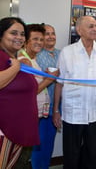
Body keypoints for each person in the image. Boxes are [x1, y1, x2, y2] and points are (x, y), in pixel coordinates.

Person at [52, 16, 96, 169]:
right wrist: (55, 110)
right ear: (79, 30)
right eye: (90, 26)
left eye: (95, 26)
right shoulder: (67, 52)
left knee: (95, 156)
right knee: (71, 157)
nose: (95, 29)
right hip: (73, 113)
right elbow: (59, 84)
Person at [16, 24, 58, 169]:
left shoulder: (32, 58)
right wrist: (50, 79)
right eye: (35, 39)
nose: (39, 42)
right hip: (27, 115)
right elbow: (30, 92)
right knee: (22, 156)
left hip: (37, 114)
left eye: (41, 39)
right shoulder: (24, 60)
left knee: (29, 152)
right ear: (26, 40)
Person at [0, 17, 39, 169]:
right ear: (1, 34)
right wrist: (16, 68)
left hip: (17, 129)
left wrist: (20, 66)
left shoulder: (14, 59)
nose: (19, 37)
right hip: (4, 130)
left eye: (22, 34)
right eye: (13, 33)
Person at [31, 24, 61, 169]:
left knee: (49, 143)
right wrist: (49, 77)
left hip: (56, 107)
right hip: (39, 107)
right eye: (47, 34)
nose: (50, 37)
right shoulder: (36, 55)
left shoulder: (62, 54)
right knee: (39, 144)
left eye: (53, 33)